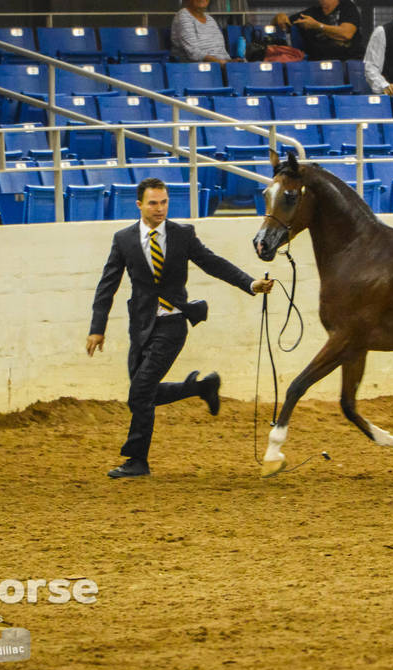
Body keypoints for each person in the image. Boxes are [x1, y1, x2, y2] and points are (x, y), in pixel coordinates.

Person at [86, 177, 274, 479]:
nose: (160, 209)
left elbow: (213, 263)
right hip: (141, 325)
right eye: (153, 203)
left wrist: (250, 284)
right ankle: (200, 387)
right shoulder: (123, 239)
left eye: (164, 202)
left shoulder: (182, 234)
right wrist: (98, 328)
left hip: (173, 324)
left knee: (139, 393)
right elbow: (107, 285)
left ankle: (137, 460)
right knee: (144, 394)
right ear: (139, 205)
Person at [274, 0, 364, 62]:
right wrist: (279, 17)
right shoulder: (311, 13)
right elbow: (283, 24)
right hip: (316, 64)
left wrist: (318, 26)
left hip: (348, 60)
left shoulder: (347, 8)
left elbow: (346, 34)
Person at [170, 0, 237, 64]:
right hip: (198, 68)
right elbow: (193, 52)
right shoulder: (183, 16)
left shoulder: (210, 19)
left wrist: (230, 62)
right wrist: (220, 63)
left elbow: (221, 49)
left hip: (220, 66)